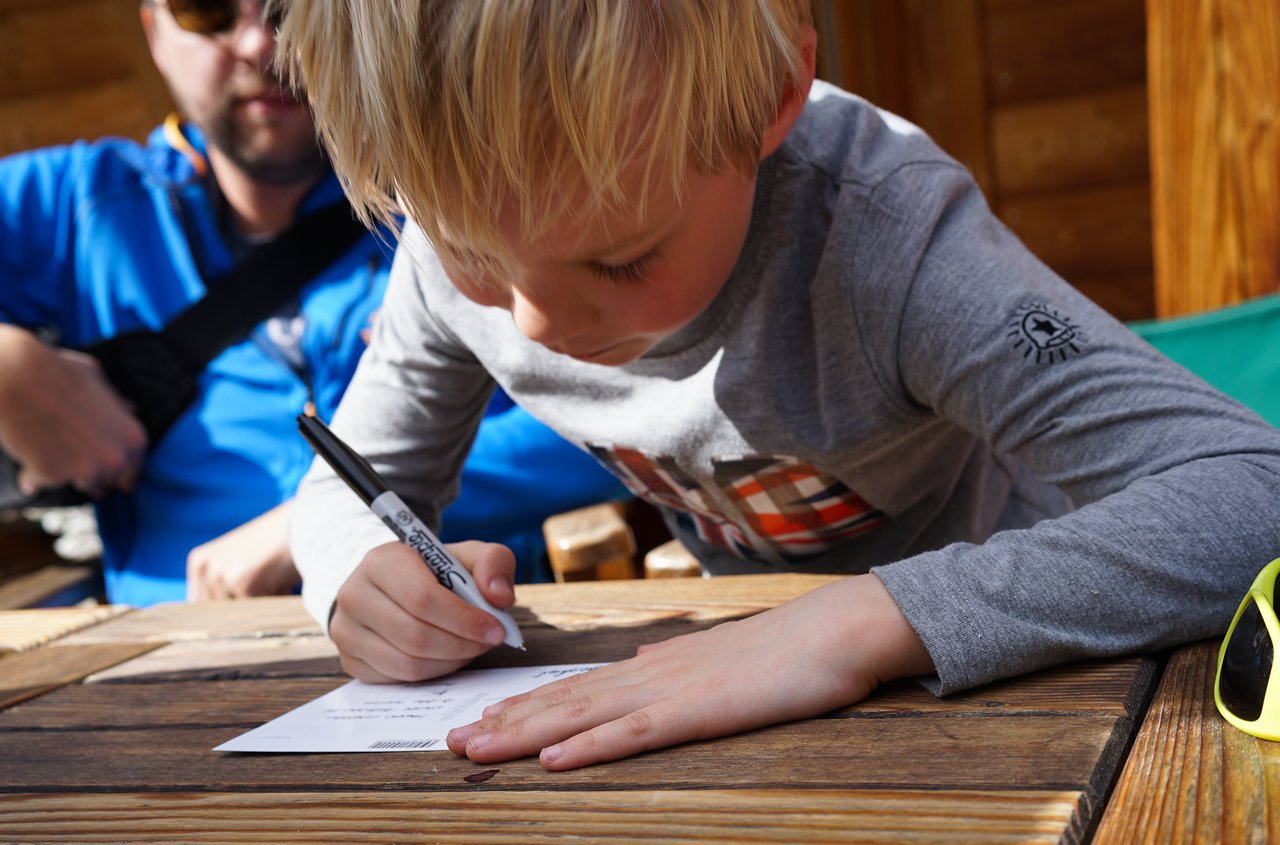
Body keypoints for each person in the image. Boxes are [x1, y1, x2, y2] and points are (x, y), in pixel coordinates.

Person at [279, 0, 1280, 772]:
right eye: (469, 252)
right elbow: (348, 484)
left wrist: (858, 621)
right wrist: (352, 577)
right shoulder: (455, 232)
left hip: (1035, 701)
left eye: (622, 261)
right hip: (743, 715)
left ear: (771, 98)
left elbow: (1250, 489)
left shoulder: (888, 242)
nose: (536, 325)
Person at [0, 0, 625, 606]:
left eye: (291, 8)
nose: (259, 44)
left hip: (463, 632)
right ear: (155, 36)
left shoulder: (460, 186)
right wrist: (12, 372)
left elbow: (630, 409)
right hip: (182, 651)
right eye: (206, 11)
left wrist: (322, 521)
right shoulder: (70, 203)